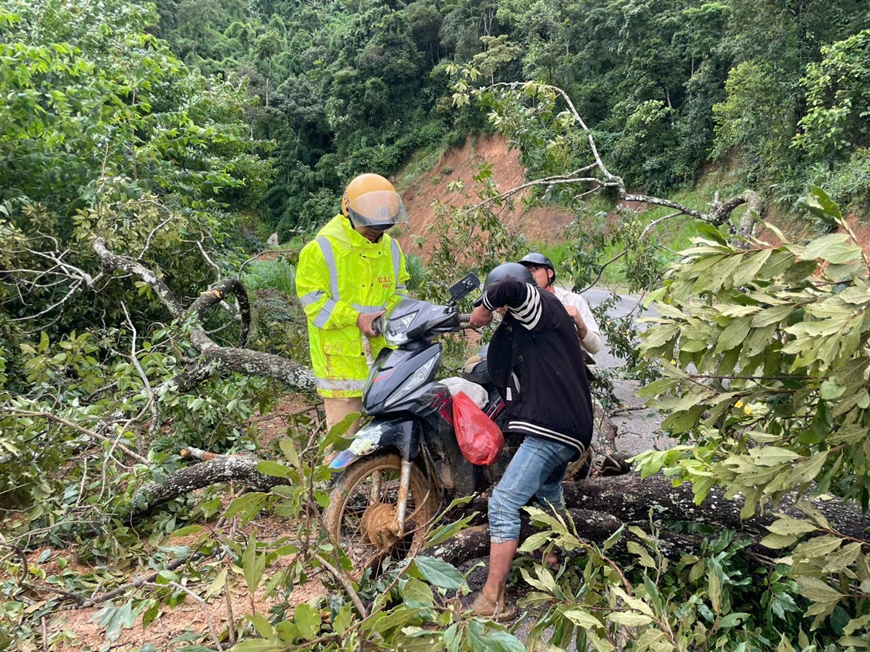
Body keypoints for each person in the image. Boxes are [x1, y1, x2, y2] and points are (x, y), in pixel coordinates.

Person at [460, 262, 594, 621]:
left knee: (503, 503)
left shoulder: (538, 306)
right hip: (571, 428)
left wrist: (482, 311)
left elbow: (510, 289)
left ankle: (492, 599)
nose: (504, 312)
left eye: (504, 309)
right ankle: (554, 560)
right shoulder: (538, 323)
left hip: (553, 427)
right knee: (549, 491)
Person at [296, 173, 410, 436]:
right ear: (348, 212)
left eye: (382, 226)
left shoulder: (391, 249)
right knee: (341, 450)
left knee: (392, 439)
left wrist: (390, 315)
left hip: (383, 360)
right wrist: (355, 318)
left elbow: (400, 292)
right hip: (340, 368)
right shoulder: (321, 249)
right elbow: (313, 303)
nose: (376, 232)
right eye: (370, 225)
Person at [517, 252, 602, 355]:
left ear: (549, 273)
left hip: (573, 368)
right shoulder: (520, 305)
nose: (529, 276)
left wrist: (580, 324)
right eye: (525, 272)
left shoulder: (573, 300)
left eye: (533, 270)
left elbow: (595, 348)